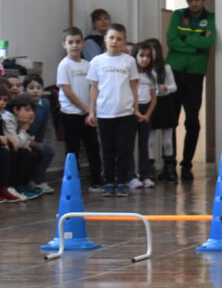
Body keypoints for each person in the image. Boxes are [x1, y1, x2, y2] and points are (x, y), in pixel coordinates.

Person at [166, 0, 216, 182]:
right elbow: (171, 40)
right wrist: (196, 45)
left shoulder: (211, 18)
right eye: (190, 0)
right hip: (174, 74)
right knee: (170, 121)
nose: (193, 4)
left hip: (195, 76)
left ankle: (187, 165)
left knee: (192, 122)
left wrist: (185, 39)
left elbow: (208, 43)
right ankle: (169, 164)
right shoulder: (178, 15)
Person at [87, 23, 140, 197]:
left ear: (124, 41)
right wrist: (92, 112)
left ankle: (123, 181)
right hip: (104, 113)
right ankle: (109, 181)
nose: (114, 41)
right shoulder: (97, 61)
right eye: (111, 38)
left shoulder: (129, 61)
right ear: (105, 39)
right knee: (108, 151)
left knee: (124, 149)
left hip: (125, 113)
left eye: (119, 39)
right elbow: (94, 88)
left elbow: (134, 87)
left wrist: (136, 108)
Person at [56, 28, 105, 192]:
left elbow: (93, 88)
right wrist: (85, 108)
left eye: (77, 42)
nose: (74, 46)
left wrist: (91, 110)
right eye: (70, 42)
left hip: (87, 114)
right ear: (64, 45)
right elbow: (67, 91)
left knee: (93, 148)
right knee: (72, 149)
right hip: (71, 114)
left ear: (83, 44)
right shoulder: (64, 65)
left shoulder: (88, 65)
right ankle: (72, 183)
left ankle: (97, 180)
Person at [141, 38, 179, 184]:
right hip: (150, 104)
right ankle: (149, 169)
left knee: (167, 140)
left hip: (165, 104)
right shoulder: (143, 69)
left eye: (153, 50)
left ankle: (169, 169)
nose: (151, 54)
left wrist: (166, 88)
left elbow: (174, 87)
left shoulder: (165, 68)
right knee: (149, 139)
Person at [130, 43, 158, 189]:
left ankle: (145, 175)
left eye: (148, 56)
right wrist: (135, 110)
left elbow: (153, 98)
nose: (145, 59)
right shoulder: (131, 74)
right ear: (135, 56)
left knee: (144, 144)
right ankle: (131, 175)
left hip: (146, 111)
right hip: (132, 109)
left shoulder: (151, 75)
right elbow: (131, 92)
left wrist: (147, 114)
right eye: (141, 55)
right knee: (130, 144)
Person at [22, 74, 55, 193]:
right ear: (25, 90)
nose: (35, 91)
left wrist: (38, 143)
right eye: (31, 88)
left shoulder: (45, 104)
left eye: (38, 88)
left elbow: (42, 126)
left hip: (34, 139)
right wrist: (28, 141)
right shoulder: (22, 104)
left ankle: (38, 180)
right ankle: (33, 181)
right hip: (22, 138)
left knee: (47, 151)